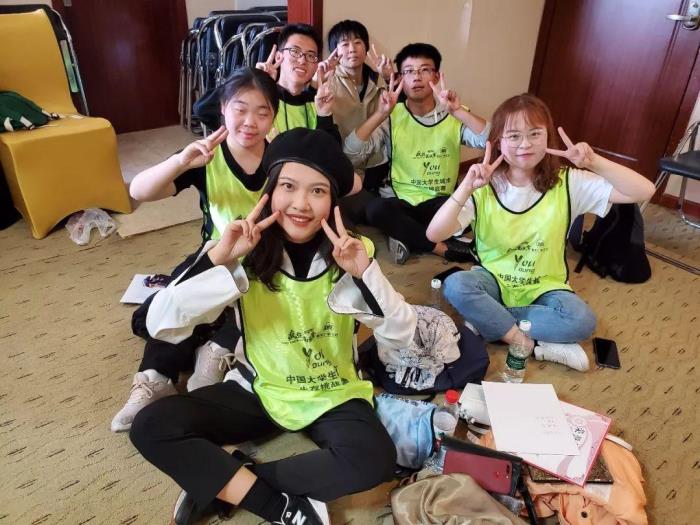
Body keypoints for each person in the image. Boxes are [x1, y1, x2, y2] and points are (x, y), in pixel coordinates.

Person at [129, 128, 416, 525]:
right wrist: (218, 259)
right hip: (259, 389)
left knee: (374, 459)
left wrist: (365, 273)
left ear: (333, 200)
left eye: (318, 191)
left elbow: (402, 334)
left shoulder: (354, 251)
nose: (300, 204)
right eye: (288, 186)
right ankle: (279, 507)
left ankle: (228, 484)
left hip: (331, 390)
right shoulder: (240, 245)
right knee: (151, 425)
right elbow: (155, 323)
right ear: (269, 191)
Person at [426, 94, 655, 370]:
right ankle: (528, 343)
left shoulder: (569, 181)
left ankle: (489, 321)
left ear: (548, 138)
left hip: (545, 286)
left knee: (582, 321)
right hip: (493, 280)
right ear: (498, 141)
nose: (525, 144)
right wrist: (465, 188)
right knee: (456, 285)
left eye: (535, 134)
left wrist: (594, 162)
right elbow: (434, 234)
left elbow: (644, 191)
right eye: (514, 136)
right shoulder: (483, 186)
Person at [111, 68, 279, 433]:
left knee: (261, 310)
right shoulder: (207, 156)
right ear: (223, 108)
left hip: (270, 261)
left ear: (273, 117)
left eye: (262, 112)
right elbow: (138, 192)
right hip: (217, 255)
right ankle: (155, 378)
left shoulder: (282, 158)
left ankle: (217, 347)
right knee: (151, 315)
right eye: (240, 109)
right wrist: (181, 161)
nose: (250, 122)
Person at [344, 42, 489, 263]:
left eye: (424, 70)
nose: (417, 77)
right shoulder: (393, 115)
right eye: (409, 71)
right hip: (400, 200)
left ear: (437, 76)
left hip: (441, 201)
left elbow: (490, 139)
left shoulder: (453, 113)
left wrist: (458, 112)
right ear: (401, 78)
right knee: (376, 209)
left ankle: (404, 235)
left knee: (474, 204)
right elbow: (351, 153)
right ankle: (440, 247)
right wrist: (380, 114)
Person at [320, 20, 393, 224]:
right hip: (347, 167)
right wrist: (320, 82)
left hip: (378, 165)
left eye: (358, 42)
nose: (352, 49)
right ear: (334, 52)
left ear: (366, 47)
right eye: (344, 44)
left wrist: (390, 79)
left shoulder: (378, 80)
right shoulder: (327, 82)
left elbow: (400, 113)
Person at [256, 23, 339, 141]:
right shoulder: (264, 97)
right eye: (295, 51)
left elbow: (332, 147)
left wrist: (324, 115)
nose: (302, 60)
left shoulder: (317, 102)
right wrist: (259, 85)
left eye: (310, 55)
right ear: (278, 57)